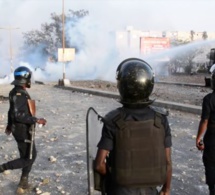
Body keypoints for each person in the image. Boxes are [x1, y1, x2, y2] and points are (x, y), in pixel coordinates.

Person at [94, 58, 172, 195]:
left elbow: (99, 165)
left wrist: (115, 177)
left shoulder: (113, 120)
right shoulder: (160, 120)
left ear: (122, 86)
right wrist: (166, 190)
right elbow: (167, 162)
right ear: (149, 85)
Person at [0, 66, 47, 193]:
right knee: (29, 158)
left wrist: (9, 124)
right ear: (25, 79)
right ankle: (3, 168)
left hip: (19, 128)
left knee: (29, 155)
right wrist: (36, 120)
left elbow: (11, 111)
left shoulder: (15, 91)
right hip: (22, 130)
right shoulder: (19, 93)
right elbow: (17, 114)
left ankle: (23, 182)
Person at [196, 69, 215, 195]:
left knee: (211, 165)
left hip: (212, 138)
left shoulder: (209, 99)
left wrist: (198, 138)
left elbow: (204, 121)